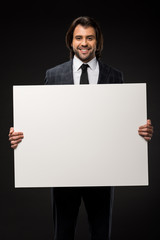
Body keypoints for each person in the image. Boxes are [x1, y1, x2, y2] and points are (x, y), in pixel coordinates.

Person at [8, 16, 153, 240]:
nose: (84, 43)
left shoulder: (114, 76)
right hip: (63, 170)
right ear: (71, 41)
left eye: (89, 37)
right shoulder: (53, 75)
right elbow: (43, 121)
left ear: (97, 42)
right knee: (63, 233)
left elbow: (122, 123)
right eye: (78, 38)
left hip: (103, 171)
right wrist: (20, 136)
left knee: (101, 233)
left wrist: (141, 132)